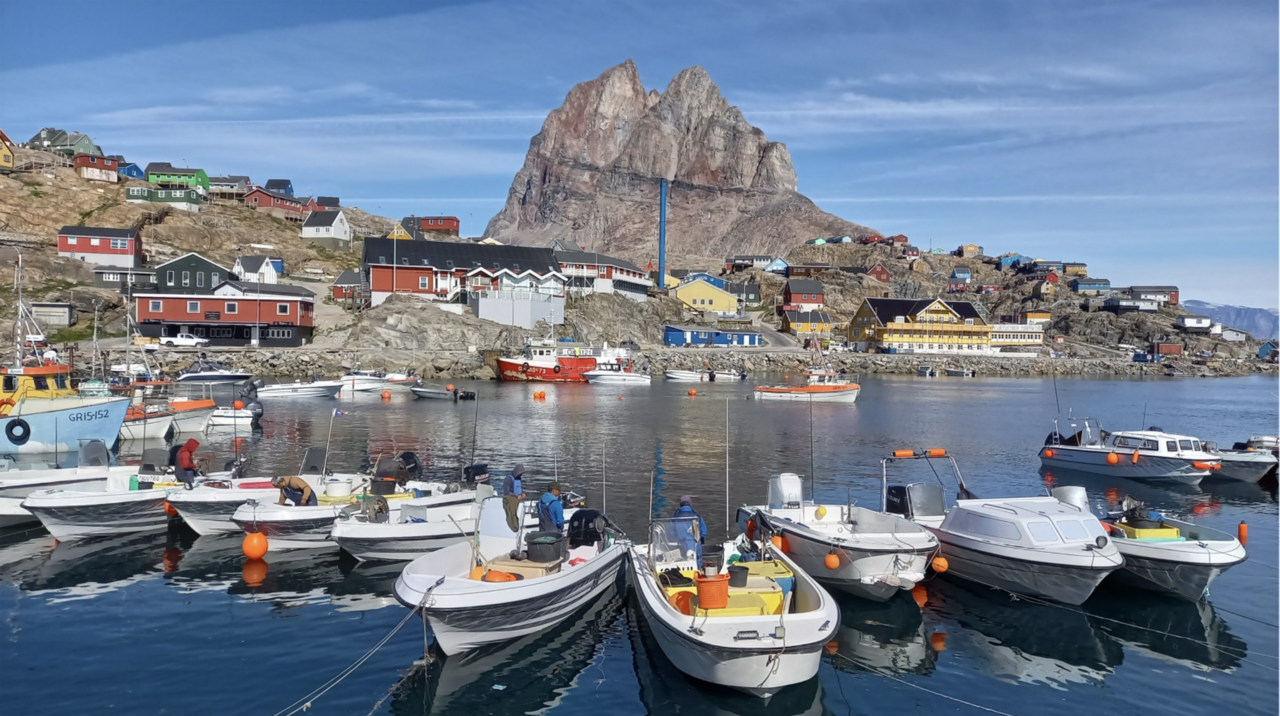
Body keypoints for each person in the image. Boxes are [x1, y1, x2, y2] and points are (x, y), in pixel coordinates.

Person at [502, 464, 526, 531]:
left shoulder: (519, 478)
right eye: (520, 473)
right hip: (512, 499)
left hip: (519, 499)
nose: (520, 475)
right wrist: (516, 496)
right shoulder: (508, 479)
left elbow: (519, 489)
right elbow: (507, 492)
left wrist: (522, 493)